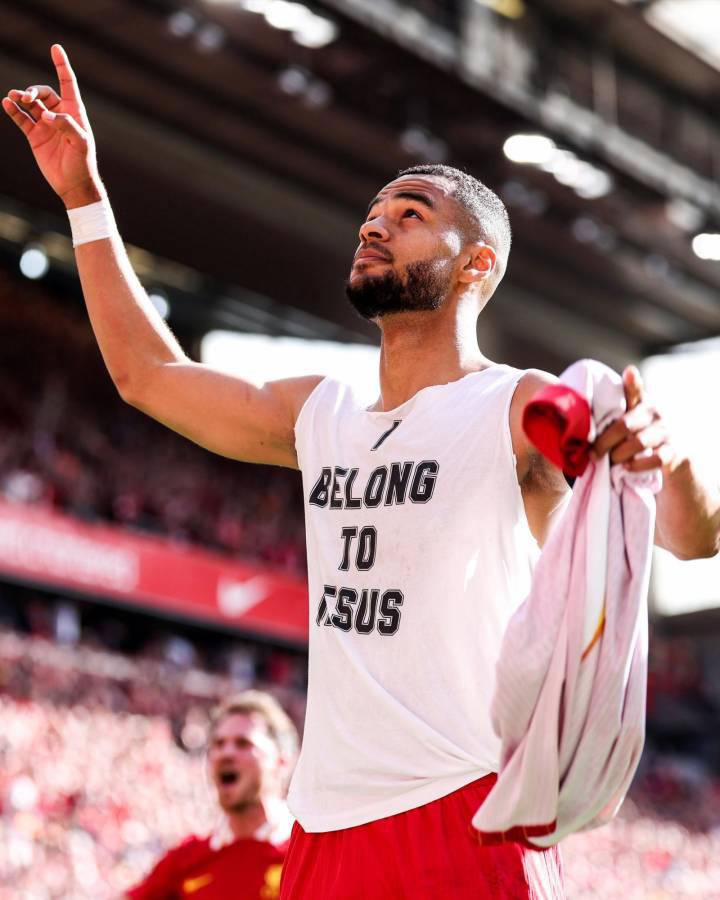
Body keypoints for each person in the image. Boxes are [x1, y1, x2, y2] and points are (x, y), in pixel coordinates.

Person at [4, 46, 719, 898]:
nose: (374, 225)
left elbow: (692, 537)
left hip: (462, 813)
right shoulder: (323, 413)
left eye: (409, 214)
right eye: (372, 215)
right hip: (323, 831)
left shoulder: (516, 406)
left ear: (476, 265)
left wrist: (663, 457)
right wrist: (85, 197)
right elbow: (146, 377)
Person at [124, 691, 297, 900]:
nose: (226, 753)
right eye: (218, 744)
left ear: (282, 761)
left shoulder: (304, 854)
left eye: (243, 743)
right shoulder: (185, 860)